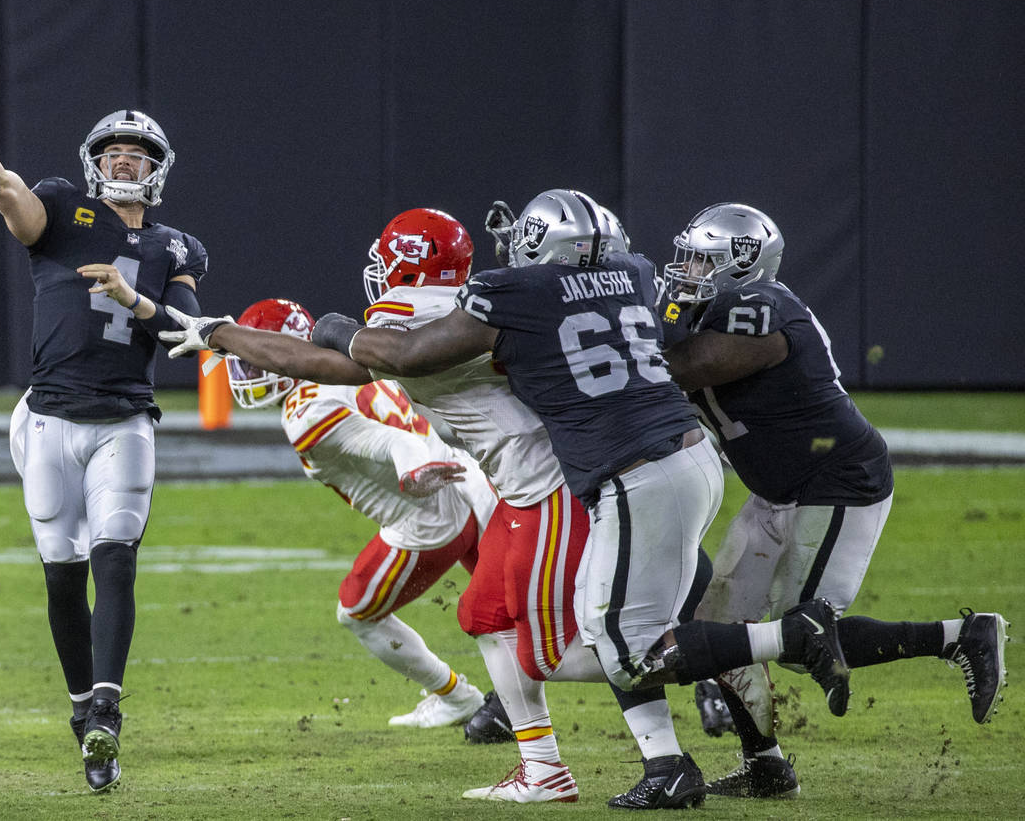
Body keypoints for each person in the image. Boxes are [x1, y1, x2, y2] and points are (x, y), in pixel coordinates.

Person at [296, 189, 857, 809]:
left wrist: (327, 330)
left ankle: (774, 652)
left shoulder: (513, 298)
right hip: (661, 460)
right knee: (518, 618)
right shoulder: (633, 276)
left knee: (613, 646)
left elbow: (406, 352)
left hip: (610, 474)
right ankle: (663, 759)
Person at [164, 208, 612, 804]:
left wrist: (414, 460)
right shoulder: (455, 313)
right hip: (490, 486)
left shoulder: (336, 385)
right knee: (490, 614)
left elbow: (388, 419)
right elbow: (384, 381)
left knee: (545, 643)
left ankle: (695, 657)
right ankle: (542, 759)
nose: (252, 371)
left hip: (494, 494)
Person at [656, 202, 1010, 798]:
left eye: (704, 260)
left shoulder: (763, 308)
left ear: (743, 266)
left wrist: (633, 336)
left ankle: (963, 636)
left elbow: (690, 366)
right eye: (688, 255)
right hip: (777, 491)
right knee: (720, 630)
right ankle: (765, 766)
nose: (688, 269)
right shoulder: (717, 307)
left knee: (800, 637)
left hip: (838, 480)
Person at [0, 59, 209, 793]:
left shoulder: (173, 247)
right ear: (93, 163)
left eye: (137, 154)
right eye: (114, 151)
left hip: (124, 420)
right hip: (49, 417)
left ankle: (108, 715)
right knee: (62, 572)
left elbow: (188, 332)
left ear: (157, 170)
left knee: (116, 556)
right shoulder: (63, 214)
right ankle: (82, 710)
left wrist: (135, 299)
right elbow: (1, 188)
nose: (124, 161)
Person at [223, 296, 497, 728]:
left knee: (357, 612)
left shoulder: (306, 409)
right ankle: (518, 709)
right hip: (464, 489)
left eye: (261, 356)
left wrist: (414, 467)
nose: (253, 368)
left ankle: (457, 697)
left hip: (427, 518)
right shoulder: (348, 362)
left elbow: (394, 442)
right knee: (511, 615)